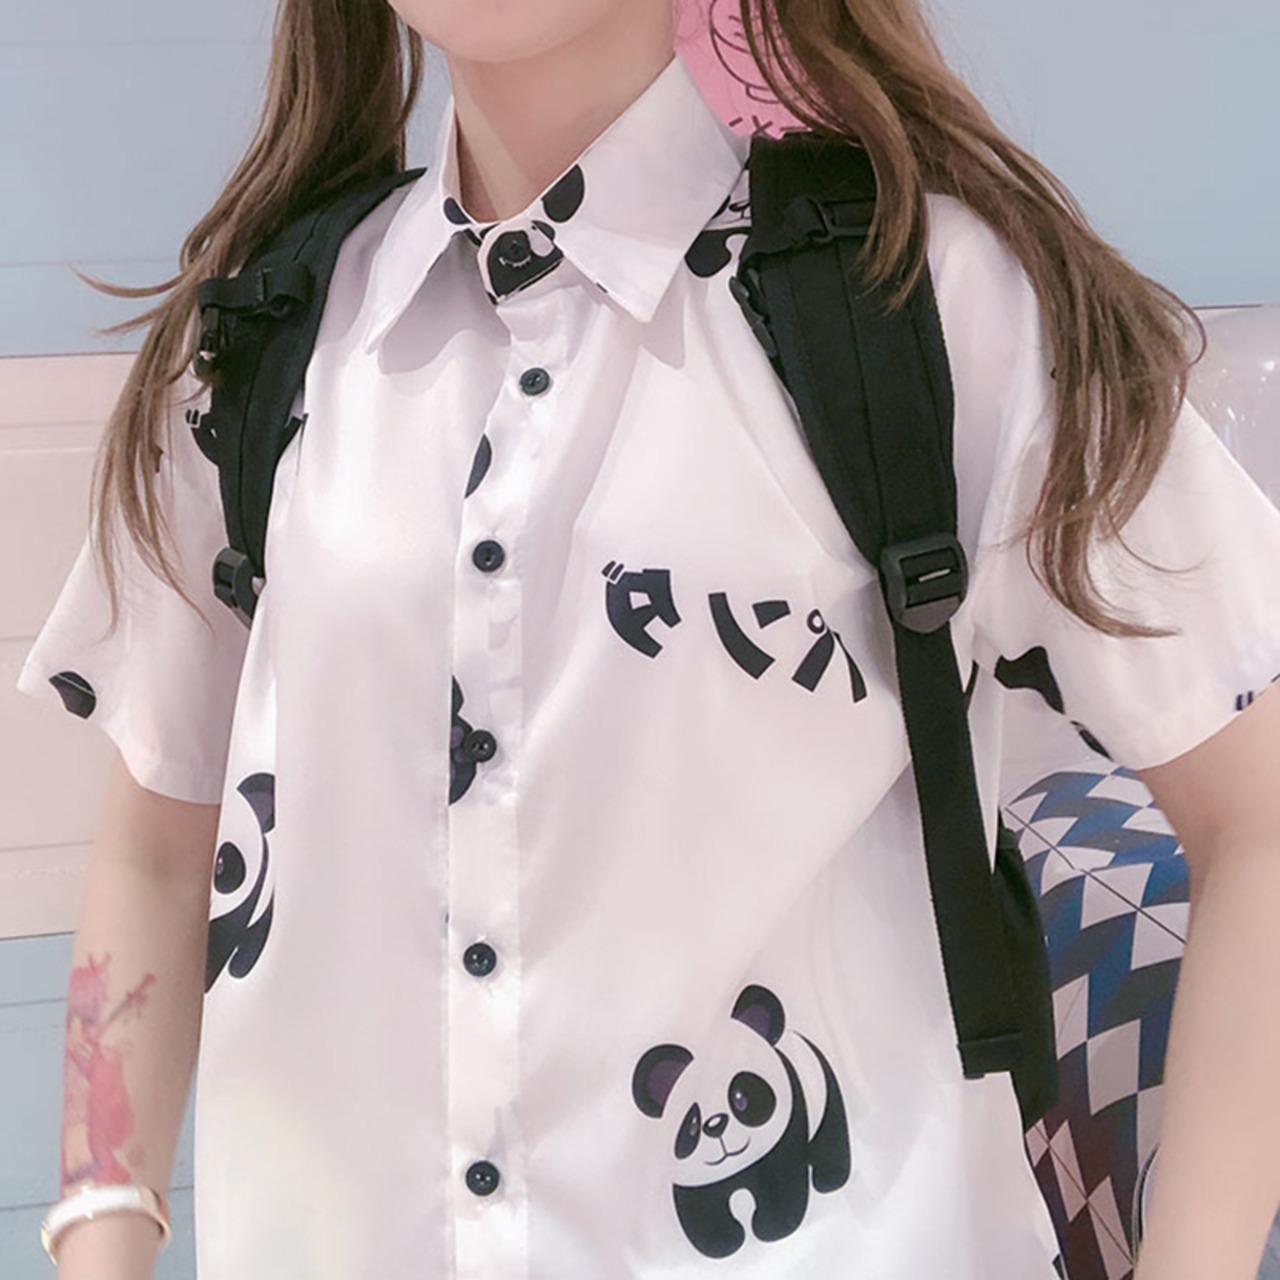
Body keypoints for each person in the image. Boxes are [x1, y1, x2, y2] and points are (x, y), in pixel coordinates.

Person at [16, 0, 1280, 1277]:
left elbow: (1258, 813)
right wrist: (99, 1227)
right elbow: (159, 852)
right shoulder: (256, 342)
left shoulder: (934, 304)